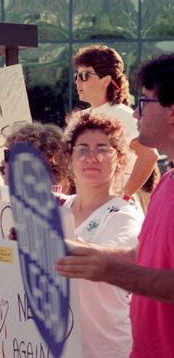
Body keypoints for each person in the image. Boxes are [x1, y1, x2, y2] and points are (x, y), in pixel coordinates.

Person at [57, 54, 174, 358]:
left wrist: (107, 269)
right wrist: (83, 251)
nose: (136, 114)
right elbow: (143, 256)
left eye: (144, 103)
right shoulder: (167, 183)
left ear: (172, 110)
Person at [62, 113, 143, 357]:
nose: (92, 158)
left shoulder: (124, 214)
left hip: (104, 349)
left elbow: (104, 260)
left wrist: (46, 240)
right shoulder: (58, 209)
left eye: (102, 149)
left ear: (119, 160)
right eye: (83, 149)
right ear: (70, 158)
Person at [74, 45, 159, 199]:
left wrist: (124, 195)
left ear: (105, 80)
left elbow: (149, 155)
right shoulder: (80, 116)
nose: (78, 81)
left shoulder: (122, 114)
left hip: (113, 210)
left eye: (84, 75)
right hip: (87, 206)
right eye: (77, 76)